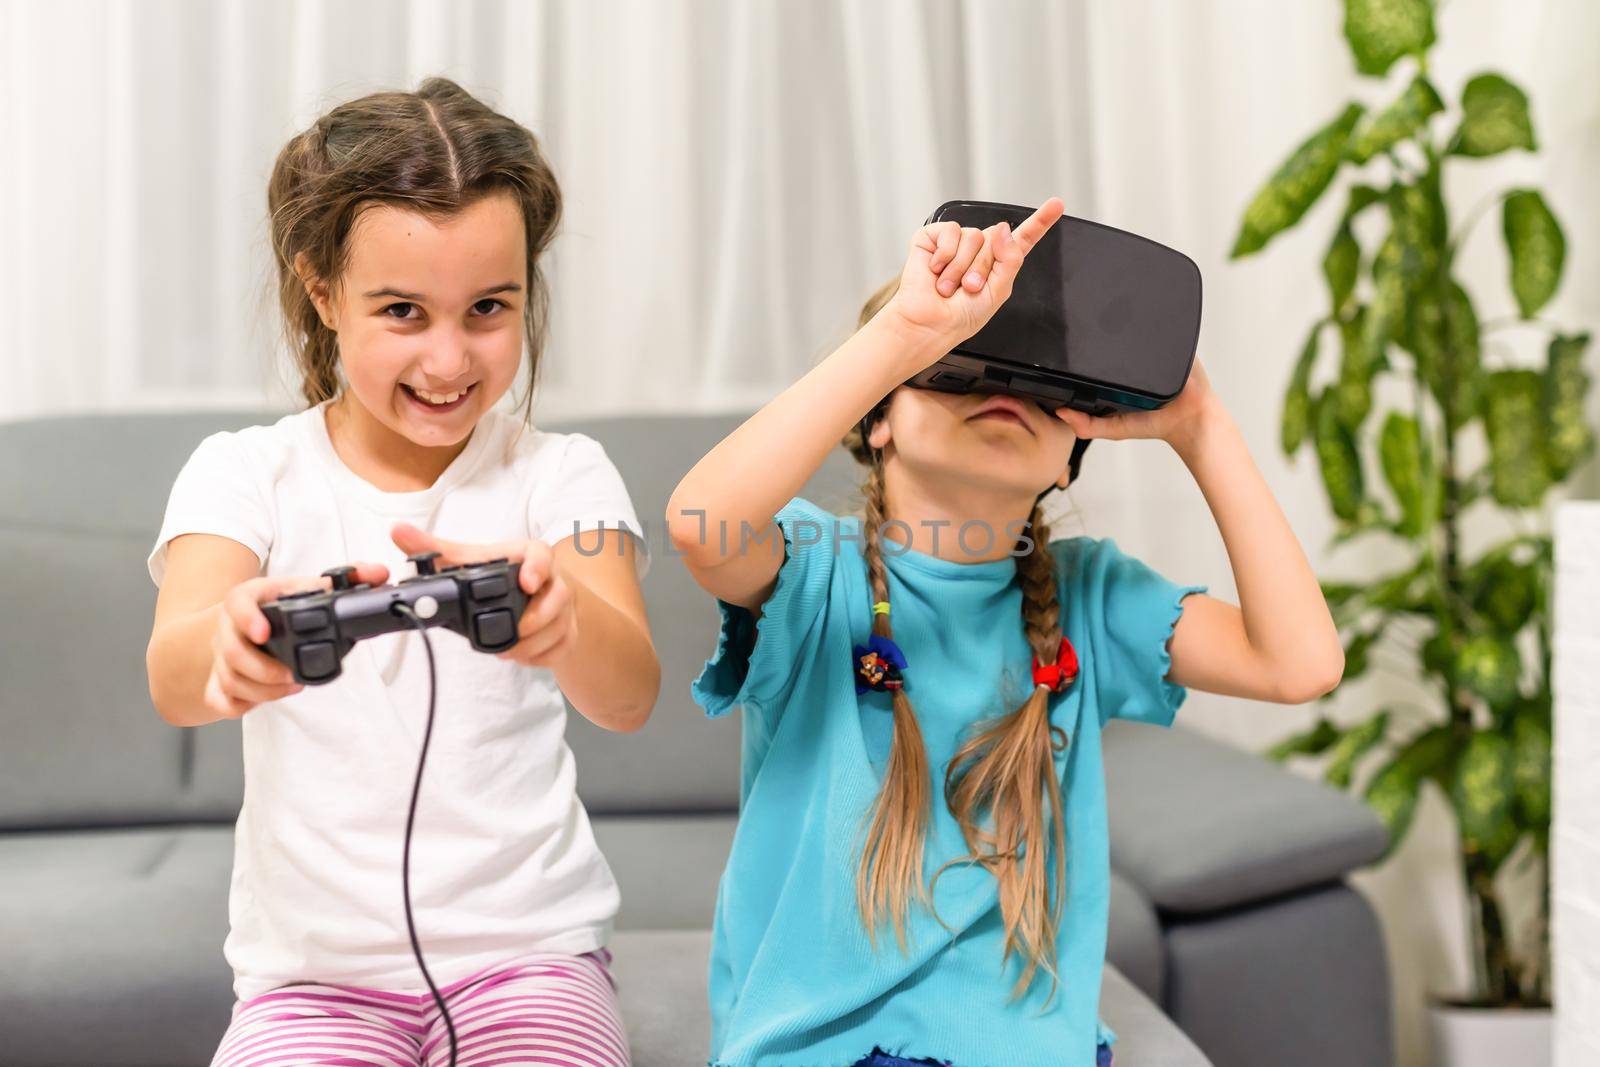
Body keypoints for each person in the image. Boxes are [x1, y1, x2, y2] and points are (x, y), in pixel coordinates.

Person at [668, 198, 1344, 1067]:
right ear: (878, 420)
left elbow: (1301, 664)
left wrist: (1201, 427)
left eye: (1040, 384)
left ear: (1070, 457)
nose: (1004, 388)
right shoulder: (815, 572)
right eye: (960, 365)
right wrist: (905, 333)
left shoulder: (1091, 597)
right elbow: (699, 521)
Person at [145, 77, 656, 1067]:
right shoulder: (244, 471)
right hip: (310, 982)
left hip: (532, 962)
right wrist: (225, 647)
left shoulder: (564, 473)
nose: (450, 357)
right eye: (403, 311)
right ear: (323, 290)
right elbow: (173, 676)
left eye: (488, 308)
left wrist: (565, 621)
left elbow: (630, 693)